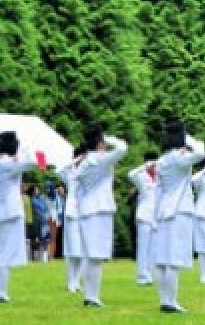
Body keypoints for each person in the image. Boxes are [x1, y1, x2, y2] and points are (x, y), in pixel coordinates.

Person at [152, 120, 205, 314]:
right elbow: (201, 152)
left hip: (163, 209)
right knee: (173, 258)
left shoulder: (161, 160)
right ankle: (171, 301)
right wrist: (189, 138)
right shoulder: (178, 157)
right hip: (180, 208)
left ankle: (164, 299)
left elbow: (158, 190)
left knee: (162, 258)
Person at [77, 125, 128, 307]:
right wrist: (109, 138)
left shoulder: (84, 162)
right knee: (96, 256)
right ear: (100, 143)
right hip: (99, 210)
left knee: (90, 255)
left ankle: (90, 295)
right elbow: (122, 148)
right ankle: (92, 296)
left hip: (87, 210)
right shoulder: (99, 159)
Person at [0, 131, 39, 302]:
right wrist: (24, 149)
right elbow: (32, 162)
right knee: (6, 253)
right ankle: (1, 292)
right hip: (11, 212)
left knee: (0, 251)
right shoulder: (8, 164)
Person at [58, 147, 87, 294]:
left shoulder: (88, 171)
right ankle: (70, 281)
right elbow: (58, 170)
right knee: (71, 249)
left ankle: (77, 280)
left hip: (85, 212)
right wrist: (75, 161)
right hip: (71, 212)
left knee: (82, 249)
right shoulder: (69, 171)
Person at [127, 154, 159, 285]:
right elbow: (130, 174)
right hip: (144, 215)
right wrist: (145, 166)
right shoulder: (141, 176)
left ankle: (150, 273)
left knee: (154, 247)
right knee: (143, 247)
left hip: (156, 216)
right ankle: (141, 275)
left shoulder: (159, 177)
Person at [31, 185, 51, 263]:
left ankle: (45, 257)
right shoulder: (33, 200)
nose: (36, 191)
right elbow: (37, 210)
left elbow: (46, 209)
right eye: (35, 190)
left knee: (45, 238)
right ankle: (37, 257)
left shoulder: (42, 199)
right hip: (37, 221)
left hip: (44, 221)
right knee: (38, 239)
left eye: (37, 190)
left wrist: (46, 217)